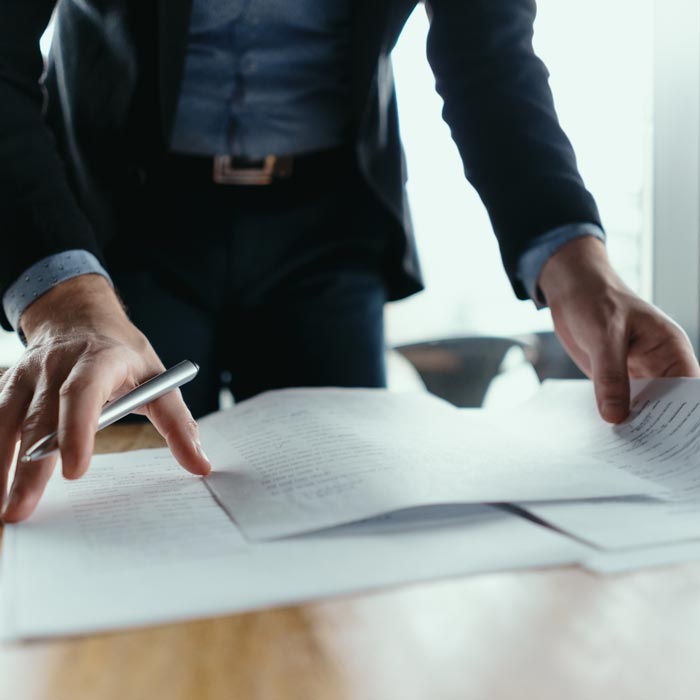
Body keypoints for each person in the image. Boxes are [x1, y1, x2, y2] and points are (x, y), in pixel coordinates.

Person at [1, 0, 697, 523]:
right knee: (118, 506)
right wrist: (62, 301)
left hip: (328, 227)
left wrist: (574, 259)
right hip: (118, 225)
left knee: (352, 518)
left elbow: (490, 55)